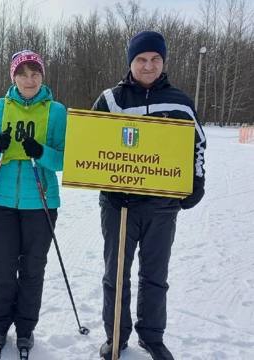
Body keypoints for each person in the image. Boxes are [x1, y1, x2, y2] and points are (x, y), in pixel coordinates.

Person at [91, 31, 207, 360]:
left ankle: (152, 335)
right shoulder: (110, 99)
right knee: (116, 273)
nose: (148, 65)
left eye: (155, 59)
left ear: (163, 62)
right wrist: (109, 188)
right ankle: (116, 336)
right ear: (131, 62)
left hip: (161, 206)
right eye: (141, 59)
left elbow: (197, 146)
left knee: (155, 274)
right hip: (118, 205)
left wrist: (195, 182)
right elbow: (91, 144)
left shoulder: (180, 101)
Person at [0, 50, 67, 355]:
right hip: (1, 200)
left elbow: (63, 160)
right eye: (22, 74)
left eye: (35, 73)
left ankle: (26, 327)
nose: (29, 80)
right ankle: (0, 324)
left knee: (32, 269)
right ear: (13, 77)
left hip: (40, 202)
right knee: (1, 268)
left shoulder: (56, 111)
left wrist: (41, 152)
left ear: (42, 76)